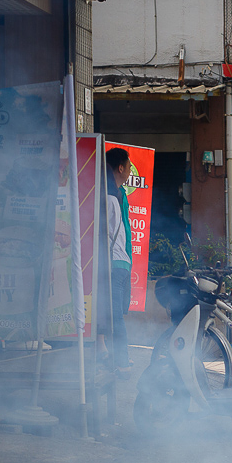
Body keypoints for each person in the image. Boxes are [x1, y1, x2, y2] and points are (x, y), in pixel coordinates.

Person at [104, 147, 133, 378]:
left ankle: (121, 363)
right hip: (120, 263)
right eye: (128, 165)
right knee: (110, 315)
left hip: (113, 263)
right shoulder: (115, 194)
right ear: (120, 167)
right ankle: (110, 358)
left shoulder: (112, 195)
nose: (131, 169)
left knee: (112, 316)